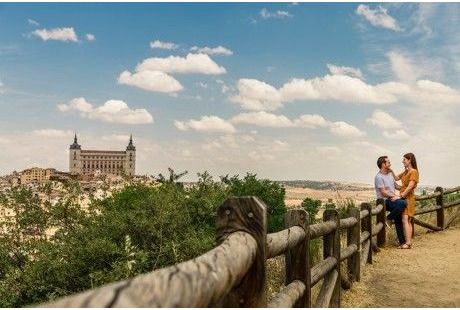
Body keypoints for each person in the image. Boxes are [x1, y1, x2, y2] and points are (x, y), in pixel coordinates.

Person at [374, 156, 406, 246]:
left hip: (393, 200)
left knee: (398, 218)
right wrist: (396, 196)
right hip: (384, 201)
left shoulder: (390, 174)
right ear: (383, 164)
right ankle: (388, 218)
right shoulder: (378, 177)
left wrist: (407, 188)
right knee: (403, 202)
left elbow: (396, 186)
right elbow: (383, 192)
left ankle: (402, 242)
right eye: (388, 162)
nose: (390, 164)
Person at [390, 153, 419, 249]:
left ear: (409, 160)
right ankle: (408, 242)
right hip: (404, 197)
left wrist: (400, 196)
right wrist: (391, 171)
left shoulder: (413, 171)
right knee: (408, 220)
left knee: (405, 219)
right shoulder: (406, 172)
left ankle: (407, 242)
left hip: (408, 198)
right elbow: (396, 178)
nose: (402, 161)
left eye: (404, 160)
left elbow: (410, 186)